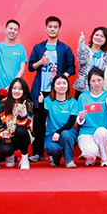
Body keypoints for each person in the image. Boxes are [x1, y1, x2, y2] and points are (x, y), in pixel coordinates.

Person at [29, 16, 76, 162]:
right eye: (50, 26)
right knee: (38, 123)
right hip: (41, 92)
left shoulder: (65, 49)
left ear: (59, 29)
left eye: (55, 27)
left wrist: (61, 78)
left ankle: (55, 151)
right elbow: (30, 67)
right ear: (46, 28)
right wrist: (40, 62)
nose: (52, 29)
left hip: (58, 92)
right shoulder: (38, 48)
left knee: (57, 121)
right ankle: (38, 152)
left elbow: (72, 68)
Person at [76, 68, 107, 166]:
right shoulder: (83, 97)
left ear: (103, 80)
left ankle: (104, 158)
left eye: (99, 80)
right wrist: (81, 117)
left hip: (102, 132)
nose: (96, 83)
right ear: (89, 82)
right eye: (93, 81)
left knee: (101, 131)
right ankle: (93, 154)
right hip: (86, 132)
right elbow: (79, 119)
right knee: (89, 152)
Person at [0, 77, 35, 170]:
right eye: (14, 88)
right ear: (10, 90)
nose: (17, 91)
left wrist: (22, 113)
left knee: (21, 131)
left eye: (20, 89)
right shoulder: (3, 102)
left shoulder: (28, 103)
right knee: (4, 150)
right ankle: (10, 154)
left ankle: (24, 158)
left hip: (22, 136)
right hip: (8, 136)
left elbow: (26, 125)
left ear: (24, 91)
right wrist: (2, 132)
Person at [0, 14, 26, 98]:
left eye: (15, 30)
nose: (12, 31)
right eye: (10, 28)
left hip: (13, 90)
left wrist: (13, 84)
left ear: (18, 32)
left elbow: (23, 69)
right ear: (5, 30)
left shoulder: (21, 49)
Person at [44, 75, 80, 168]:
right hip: (51, 134)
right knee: (51, 148)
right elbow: (42, 117)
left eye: (64, 83)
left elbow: (71, 122)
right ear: (54, 86)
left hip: (68, 133)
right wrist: (40, 104)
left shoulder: (73, 102)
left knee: (65, 134)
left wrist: (58, 132)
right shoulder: (47, 101)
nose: (61, 86)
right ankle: (56, 157)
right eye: (58, 83)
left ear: (68, 85)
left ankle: (69, 160)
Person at [75, 26, 107, 95]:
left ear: (105, 40)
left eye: (102, 36)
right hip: (82, 88)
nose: (98, 38)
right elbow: (81, 60)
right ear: (92, 36)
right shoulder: (84, 48)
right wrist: (81, 43)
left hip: (98, 88)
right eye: (96, 35)